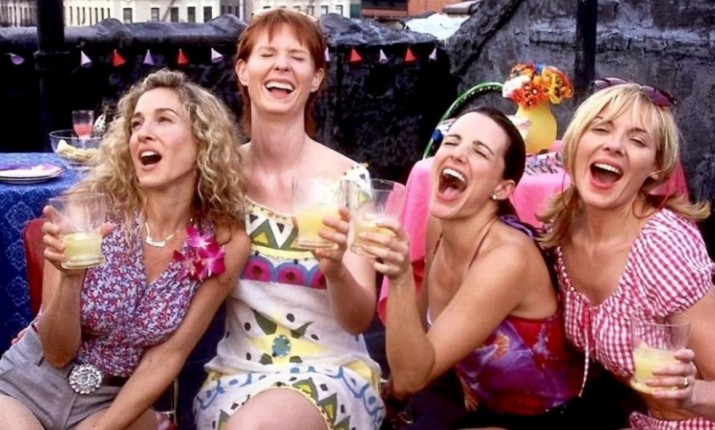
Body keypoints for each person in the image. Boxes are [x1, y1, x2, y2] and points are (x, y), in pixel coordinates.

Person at [0, 69, 250, 429]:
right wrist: (71, 279)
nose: (143, 133)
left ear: (202, 141)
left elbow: (168, 356)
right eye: (136, 124)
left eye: (164, 119)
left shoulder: (224, 243)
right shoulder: (89, 207)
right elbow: (56, 352)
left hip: (111, 402)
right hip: (28, 382)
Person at [193, 9, 385, 430]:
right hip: (236, 375)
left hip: (331, 372)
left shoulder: (349, 180)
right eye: (268, 54)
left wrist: (335, 269)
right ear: (243, 71)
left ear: (316, 78)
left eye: (297, 57)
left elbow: (358, 320)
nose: (281, 65)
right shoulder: (217, 178)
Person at [368, 106, 584, 429]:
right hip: (475, 401)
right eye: (452, 142)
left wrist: (399, 277)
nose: (457, 154)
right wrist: (391, 397)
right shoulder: (439, 225)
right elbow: (422, 336)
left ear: (503, 188)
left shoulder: (507, 259)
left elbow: (412, 377)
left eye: (479, 151)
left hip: (546, 417)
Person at [539, 79, 715, 428]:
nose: (614, 145)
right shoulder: (565, 227)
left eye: (637, 140)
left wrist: (690, 393)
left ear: (656, 167)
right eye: (601, 129)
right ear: (575, 142)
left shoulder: (663, 246)